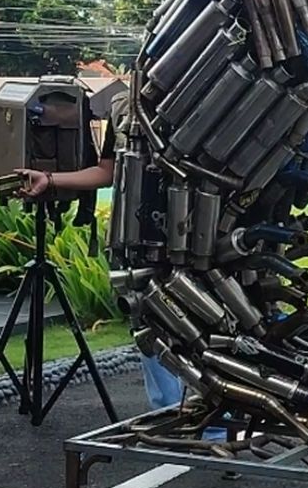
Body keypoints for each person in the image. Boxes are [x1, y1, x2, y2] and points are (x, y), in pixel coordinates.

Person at [13, 86, 191, 416]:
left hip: (194, 233)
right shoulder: (126, 106)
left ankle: (210, 418)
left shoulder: (207, 97)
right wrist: (50, 181)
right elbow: (107, 170)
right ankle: (169, 414)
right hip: (138, 237)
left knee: (201, 327)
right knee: (149, 323)